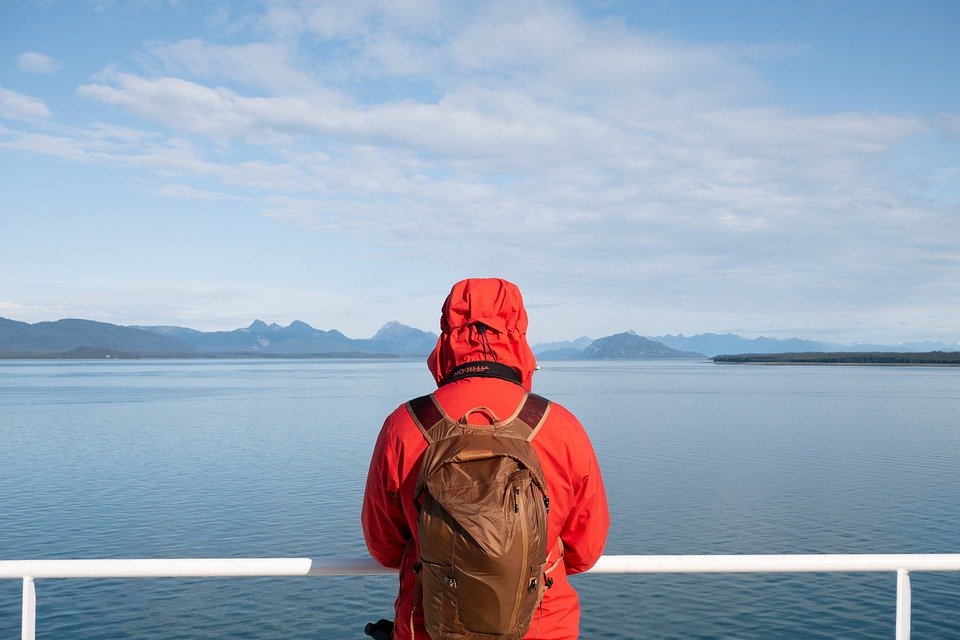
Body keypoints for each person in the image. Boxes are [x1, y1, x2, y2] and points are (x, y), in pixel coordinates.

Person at [362, 277, 609, 640]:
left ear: (445, 336)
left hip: (428, 628)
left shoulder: (405, 425)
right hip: (542, 628)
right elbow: (585, 552)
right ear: (520, 335)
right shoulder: (560, 426)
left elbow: (383, 548)